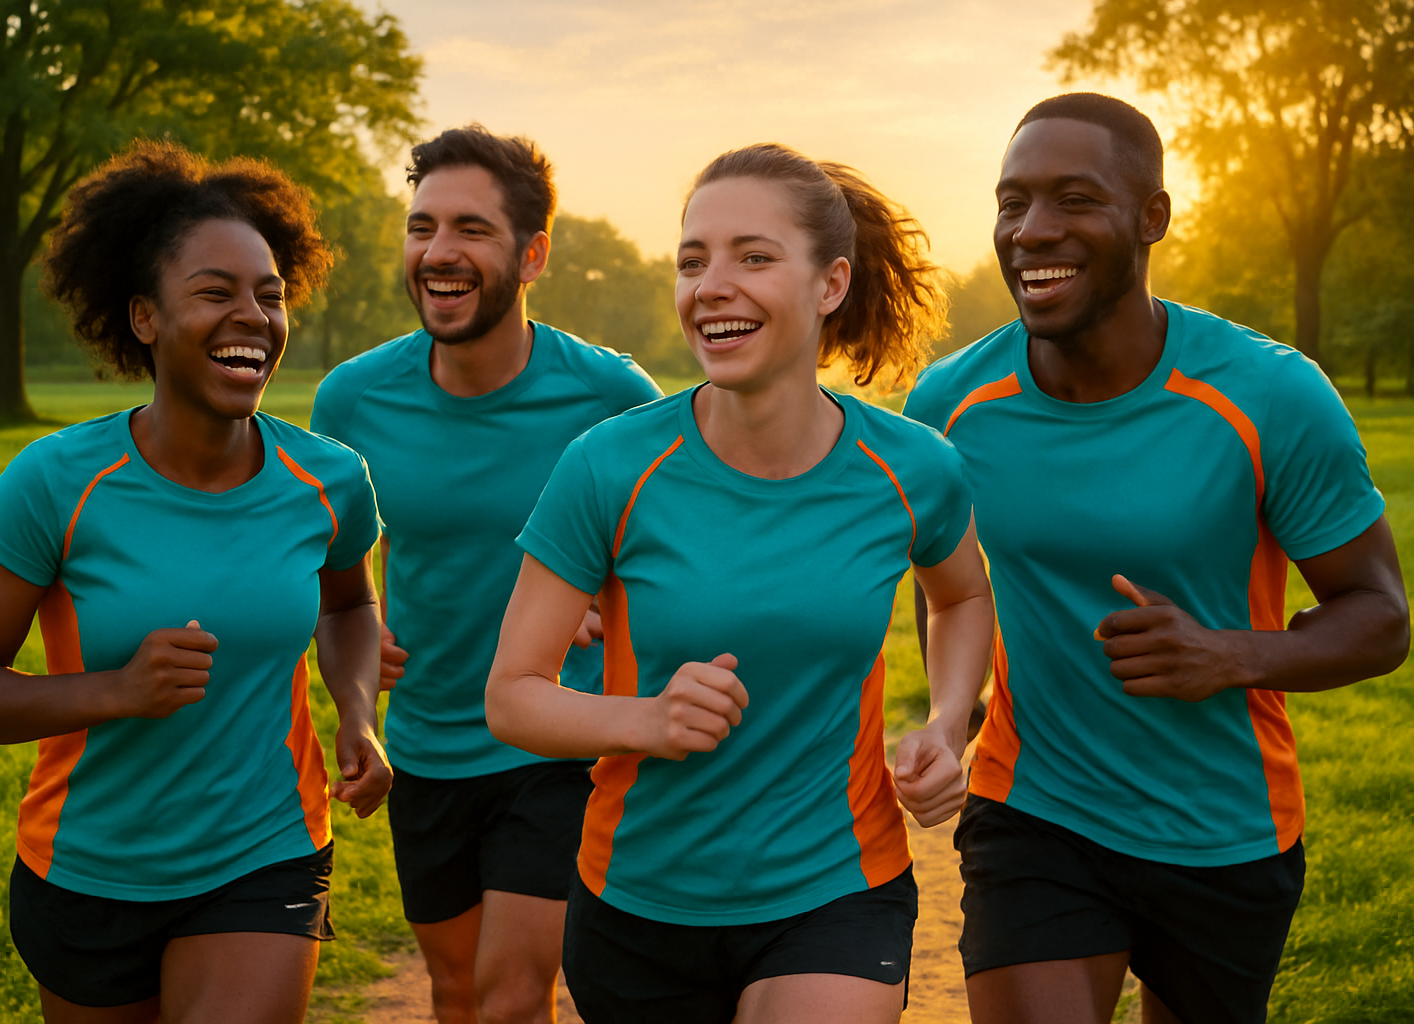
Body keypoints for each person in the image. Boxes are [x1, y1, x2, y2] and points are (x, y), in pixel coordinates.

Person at [903, 93, 1410, 1024]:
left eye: (1074, 200)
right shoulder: (951, 404)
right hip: (1035, 809)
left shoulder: (1271, 395)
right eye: (1013, 202)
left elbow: (1380, 617)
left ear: (1152, 218)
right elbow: (943, 590)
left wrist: (1231, 654)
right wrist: (948, 717)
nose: (1032, 230)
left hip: (1223, 828)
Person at [485, 143, 997, 1024]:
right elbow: (512, 696)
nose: (711, 286)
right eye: (693, 262)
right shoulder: (610, 466)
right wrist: (645, 720)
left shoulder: (913, 467)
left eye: (753, 257)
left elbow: (962, 596)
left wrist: (950, 724)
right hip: (641, 899)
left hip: (839, 884)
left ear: (831, 283)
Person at [0, 141, 392, 1024]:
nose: (252, 316)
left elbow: (350, 605)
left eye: (270, 295)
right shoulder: (57, 482)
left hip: (267, 850)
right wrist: (117, 690)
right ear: (144, 317)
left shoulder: (329, 480)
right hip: (90, 866)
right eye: (215, 293)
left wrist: (359, 713)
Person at [309, 125, 662, 1024]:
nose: (439, 251)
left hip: (558, 739)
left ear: (532, 255)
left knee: (511, 998)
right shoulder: (352, 400)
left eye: (471, 229)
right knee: (457, 994)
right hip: (429, 741)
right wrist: (366, 653)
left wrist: (604, 599)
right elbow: (342, 576)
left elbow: (672, 555)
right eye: (422, 226)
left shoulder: (611, 397)